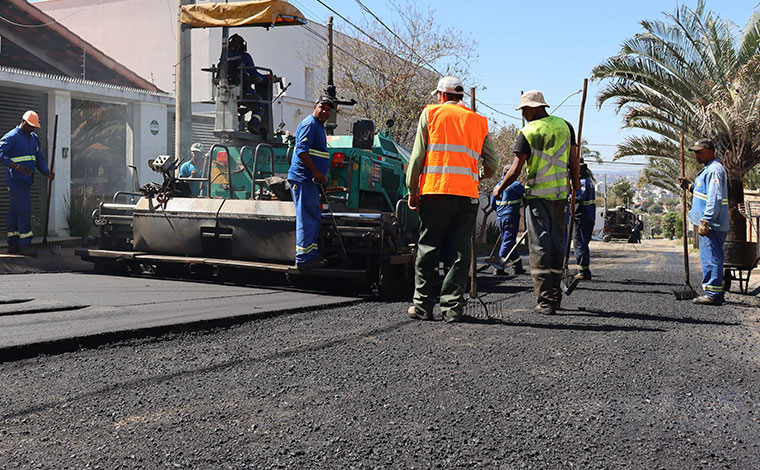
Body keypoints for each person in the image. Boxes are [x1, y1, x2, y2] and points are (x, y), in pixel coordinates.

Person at [406, 76, 498, 323]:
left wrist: (411, 190)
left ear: (441, 95)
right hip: (466, 195)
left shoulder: (431, 114)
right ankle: (452, 309)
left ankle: (423, 306)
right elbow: (493, 163)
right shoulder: (477, 121)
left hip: (435, 192)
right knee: (459, 253)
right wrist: (476, 175)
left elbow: (417, 157)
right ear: (460, 97)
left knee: (428, 248)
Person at [496, 90, 579, 315]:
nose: (523, 114)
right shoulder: (566, 126)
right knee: (556, 244)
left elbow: (515, 170)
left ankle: (546, 301)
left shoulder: (527, 132)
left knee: (540, 246)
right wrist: (576, 184)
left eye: (524, 109)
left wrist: (499, 188)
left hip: (537, 198)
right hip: (560, 196)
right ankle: (556, 296)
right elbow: (574, 161)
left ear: (534, 107)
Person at [678, 138, 729, 306]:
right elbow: (704, 192)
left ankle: (713, 294)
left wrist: (706, 220)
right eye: (695, 152)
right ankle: (713, 292)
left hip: (711, 225)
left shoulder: (714, 169)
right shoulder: (708, 169)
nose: (696, 155)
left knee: (712, 257)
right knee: (709, 256)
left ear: (709, 151)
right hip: (709, 224)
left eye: (699, 152)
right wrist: (690, 187)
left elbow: (715, 197)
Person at [287, 95, 334, 270]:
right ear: (315, 107)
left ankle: (311, 255)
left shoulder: (319, 127)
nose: (325, 111)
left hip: (311, 180)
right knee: (306, 218)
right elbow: (301, 151)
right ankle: (304, 258)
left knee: (313, 217)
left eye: (328, 109)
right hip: (304, 178)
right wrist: (315, 171)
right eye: (322, 107)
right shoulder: (309, 124)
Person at [0, 111, 55, 256]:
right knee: (24, 211)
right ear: (23, 122)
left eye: (34, 127)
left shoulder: (34, 138)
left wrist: (46, 172)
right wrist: (17, 167)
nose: (32, 129)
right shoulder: (11, 137)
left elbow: (39, 158)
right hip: (16, 180)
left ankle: (13, 245)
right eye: (30, 126)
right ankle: (25, 246)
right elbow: (0, 154)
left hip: (26, 181)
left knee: (14, 212)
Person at [225, 33, 266, 133]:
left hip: (225, 91)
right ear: (243, 46)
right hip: (242, 91)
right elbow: (255, 76)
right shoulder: (244, 56)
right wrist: (266, 78)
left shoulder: (223, 56)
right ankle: (253, 125)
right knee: (260, 103)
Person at [490, 164, 525, 276]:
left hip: (501, 217)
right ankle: (499, 268)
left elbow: (492, 204)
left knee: (509, 241)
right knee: (508, 241)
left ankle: (517, 266)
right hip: (511, 217)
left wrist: (501, 213)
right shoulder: (515, 185)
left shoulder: (497, 186)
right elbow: (527, 196)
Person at [572, 159, 596, 280]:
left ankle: (582, 271)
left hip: (582, 216)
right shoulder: (588, 181)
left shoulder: (583, 182)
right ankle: (585, 270)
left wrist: (567, 196)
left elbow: (578, 197)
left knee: (579, 243)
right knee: (583, 243)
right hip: (588, 216)